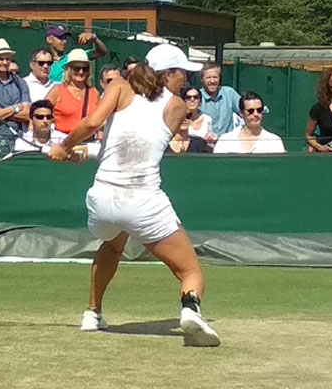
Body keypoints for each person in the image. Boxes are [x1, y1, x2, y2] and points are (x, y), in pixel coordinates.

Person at [47, 55, 220, 347]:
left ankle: (92, 313)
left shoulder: (118, 86)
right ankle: (190, 310)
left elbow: (99, 127)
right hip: (143, 202)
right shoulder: (177, 107)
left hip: (102, 202)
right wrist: (70, 148)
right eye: (181, 73)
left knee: (113, 244)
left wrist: (68, 147)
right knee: (190, 271)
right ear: (168, 73)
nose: (185, 79)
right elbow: (139, 144)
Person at [45, 49, 99, 135]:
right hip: (63, 140)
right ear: (69, 70)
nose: (81, 72)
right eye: (77, 68)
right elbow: (41, 111)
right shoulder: (58, 90)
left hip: (88, 140)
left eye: (84, 69)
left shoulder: (94, 93)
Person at [213, 91, 286, 154]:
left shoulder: (274, 141)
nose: (256, 114)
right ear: (241, 113)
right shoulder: (225, 140)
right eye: (250, 111)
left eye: (259, 110)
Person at [198, 61, 241, 137]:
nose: (212, 81)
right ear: (202, 79)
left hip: (227, 141)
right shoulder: (196, 96)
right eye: (208, 77)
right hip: (204, 141)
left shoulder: (229, 93)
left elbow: (245, 111)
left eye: (215, 77)